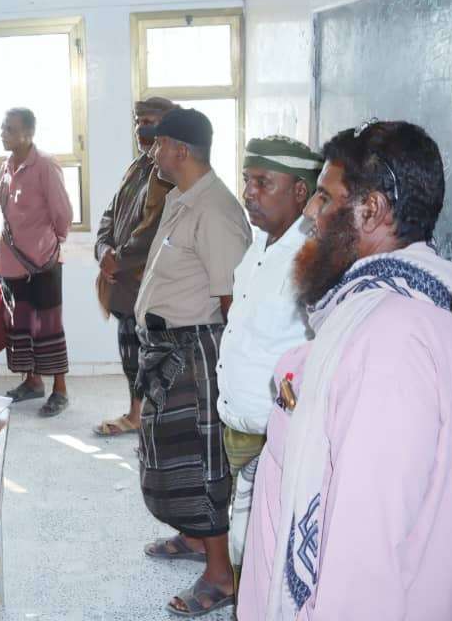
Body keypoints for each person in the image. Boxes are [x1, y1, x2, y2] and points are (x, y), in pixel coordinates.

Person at [239, 122, 452, 620]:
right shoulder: (392, 310)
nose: (310, 215)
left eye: (324, 197)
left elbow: (364, 557)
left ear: (371, 210)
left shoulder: (391, 339)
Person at [133, 107, 251, 616]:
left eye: (159, 144)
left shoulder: (216, 210)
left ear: (181, 149)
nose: (153, 151)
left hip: (198, 354)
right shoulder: (181, 198)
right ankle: (195, 536)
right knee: (171, 455)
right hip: (170, 352)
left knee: (203, 463)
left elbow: (233, 302)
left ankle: (221, 576)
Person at [216, 136, 321, 598]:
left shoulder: (312, 258)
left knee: (271, 548)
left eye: (263, 182)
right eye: (247, 180)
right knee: (244, 540)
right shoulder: (258, 245)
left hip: (276, 438)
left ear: (300, 191)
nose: (249, 193)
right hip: (240, 427)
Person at [93, 97, 176, 437]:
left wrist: (119, 260)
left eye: (150, 122)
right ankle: (136, 414)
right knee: (130, 351)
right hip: (123, 280)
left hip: (147, 282)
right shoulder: (138, 166)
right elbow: (109, 214)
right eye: (139, 122)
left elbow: (153, 229)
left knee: (150, 354)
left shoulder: (168, 174)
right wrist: (103, 251)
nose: (142, 128)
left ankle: (144, 417)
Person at [0, 108, 74, 417]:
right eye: (3, 127)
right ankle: (32, 382)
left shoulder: (45, 165)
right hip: (11, 264)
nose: (3, 133)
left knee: (48, 328)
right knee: (21, 326)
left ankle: (60, 390)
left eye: (10, 129)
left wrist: (52, 244)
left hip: (42, 264)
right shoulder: (5, 166)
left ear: (28, 133)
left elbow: (62, 212)